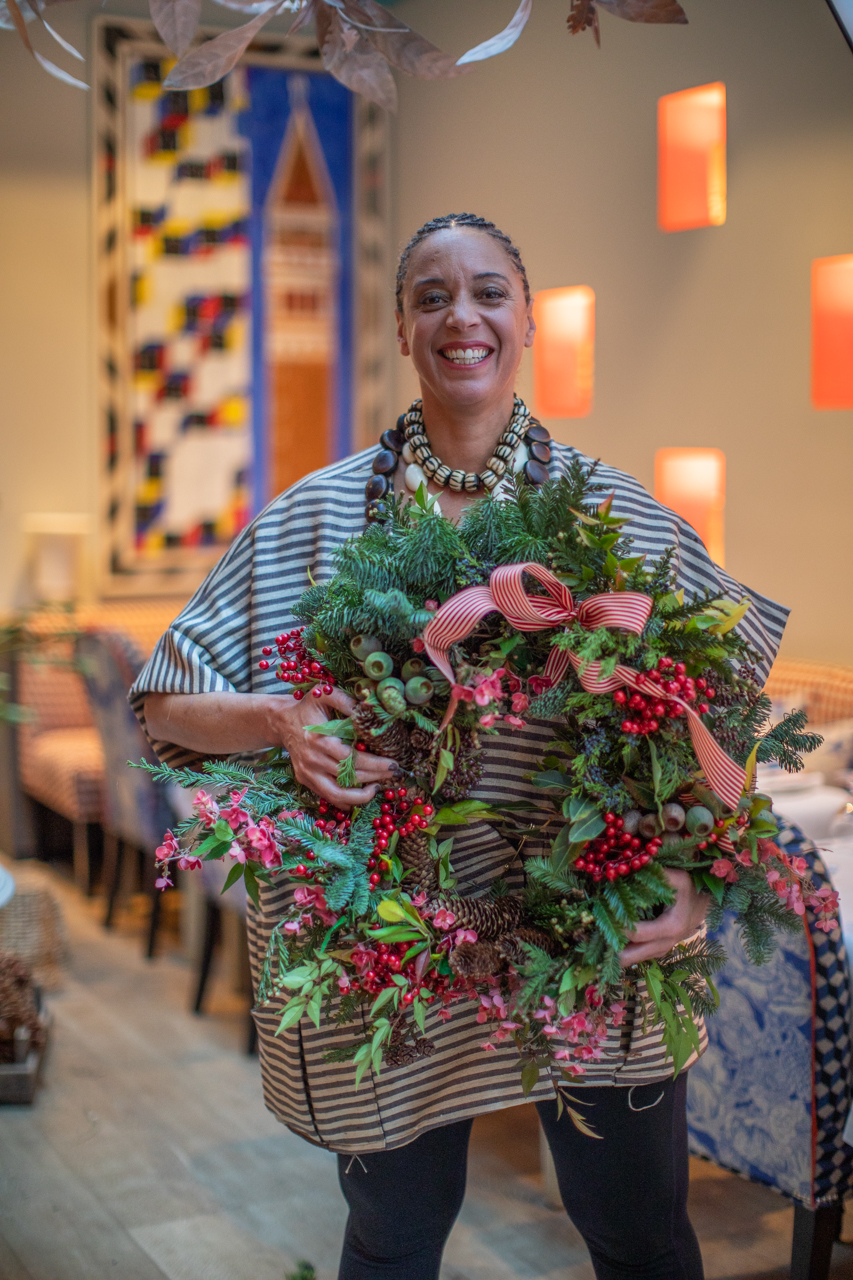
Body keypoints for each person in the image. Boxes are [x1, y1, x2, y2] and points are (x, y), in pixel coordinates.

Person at [131, 213, 788, 1280]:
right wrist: (280, 721)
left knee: (639, 1234)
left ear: (526, 319)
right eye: (431, 295)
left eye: (487, 291)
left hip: (598, 939)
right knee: (393, 1236)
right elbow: (164, 696)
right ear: (402, 326)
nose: (461, 315)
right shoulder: (316, 518)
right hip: (388, 952)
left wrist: (697, 882)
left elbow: (723, 701)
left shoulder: (612, 514)